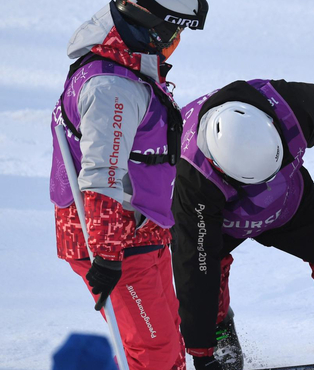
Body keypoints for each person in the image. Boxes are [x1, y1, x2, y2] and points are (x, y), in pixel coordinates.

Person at [171, 79, 314, 370]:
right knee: (208, 273)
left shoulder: (290, 106)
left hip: (290, 200)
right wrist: (201, 353)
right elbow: (194, 269)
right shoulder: (192, 179)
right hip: (220, 222)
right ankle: (217, 336)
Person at [49, 1, 208, 370]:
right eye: (172, 35)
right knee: (154, 352)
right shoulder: (111, 87)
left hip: (143, 228)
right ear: (149, 26)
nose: (174, 44)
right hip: (113, 243)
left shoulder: (127, 65)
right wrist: (106, 255)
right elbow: (101, 175)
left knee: (167, 339)